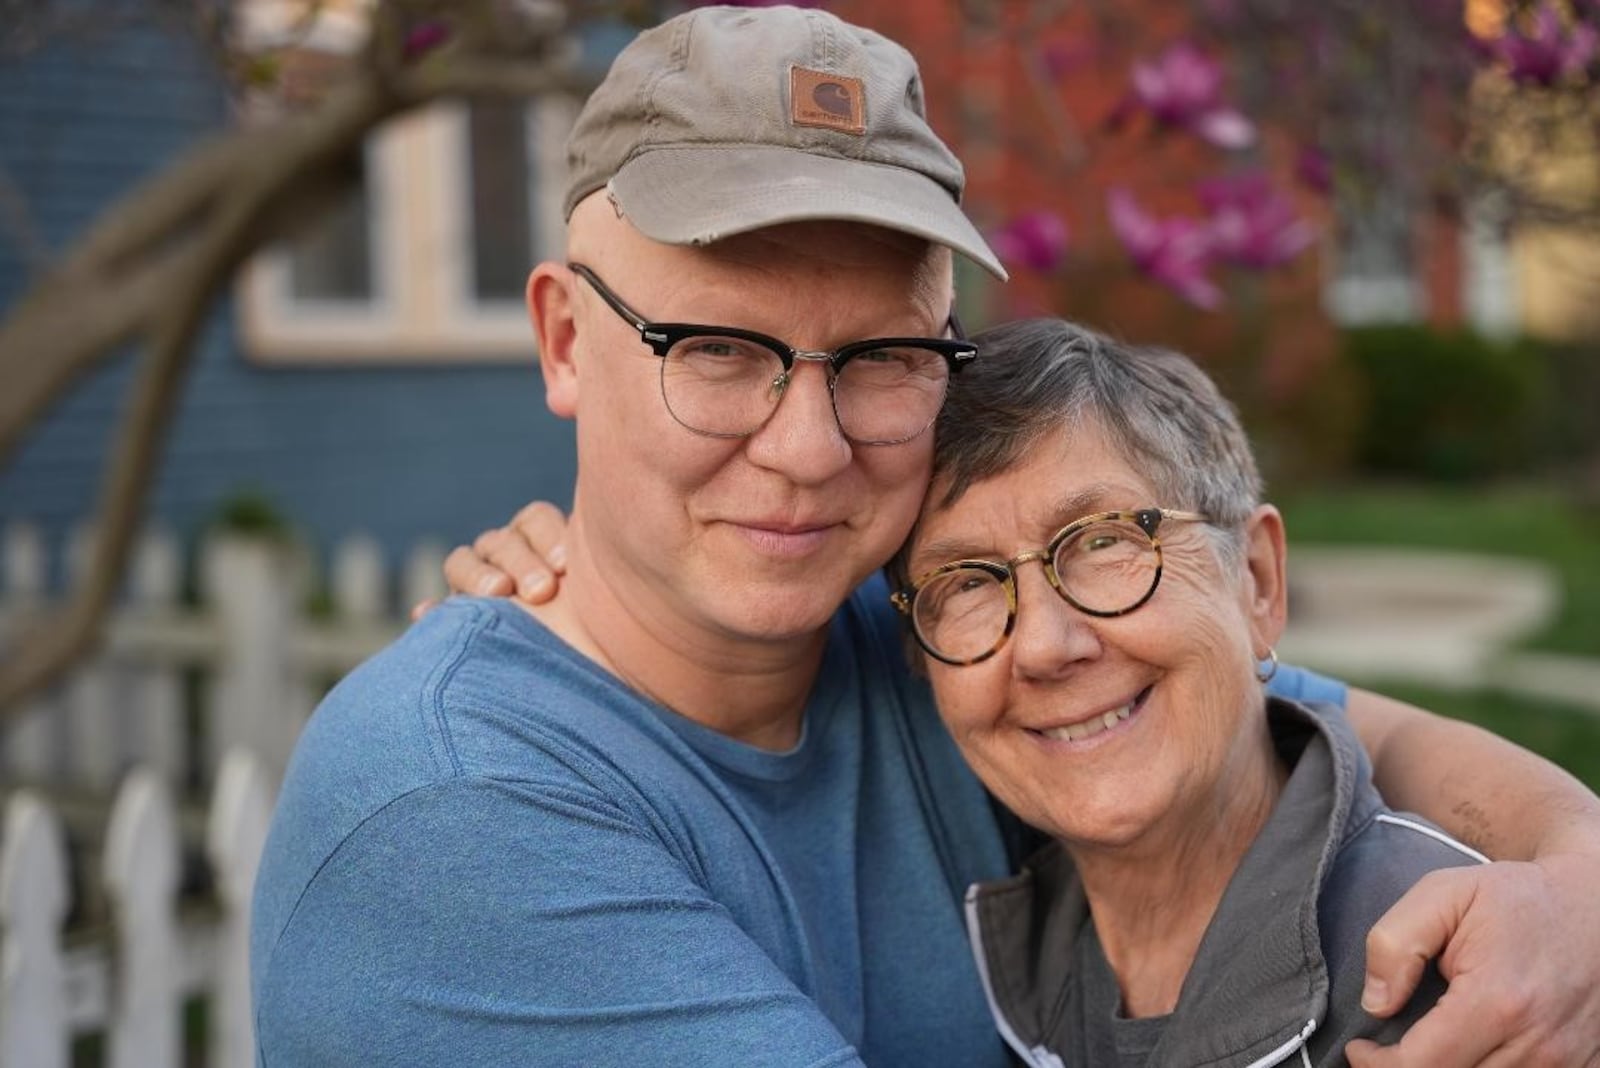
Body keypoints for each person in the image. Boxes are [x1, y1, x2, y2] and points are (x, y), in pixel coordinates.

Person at [252, 6, 1600, 1067]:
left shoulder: (936, 651)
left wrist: (1578, 873)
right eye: (716, 350)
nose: (807, 446)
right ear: (562, 337)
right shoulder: (452, 811)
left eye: (885, 355)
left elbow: (1324, 725)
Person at [889, 317, 1483, 1065]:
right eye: (966, 581)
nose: (1043, 646)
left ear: (1258, 581)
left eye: (1104, 540)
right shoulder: (1013, 970)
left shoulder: (1455, 990)